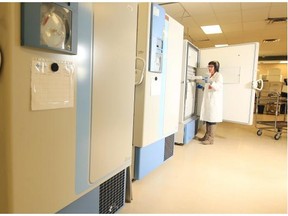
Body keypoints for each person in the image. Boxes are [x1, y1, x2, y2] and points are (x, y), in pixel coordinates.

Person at [197, 61, 223, 145]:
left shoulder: (219, 76)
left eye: (211, 66)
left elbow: (218, 87)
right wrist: (202, 87)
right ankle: (206, 136)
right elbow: (208, 88)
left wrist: (211, 82)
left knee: (212, 120)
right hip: (208, 101)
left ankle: (211, 139)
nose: (209, 68)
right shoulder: (209, 75)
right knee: (208, 119)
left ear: (216, 67)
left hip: (214, 101)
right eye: (209, 66)